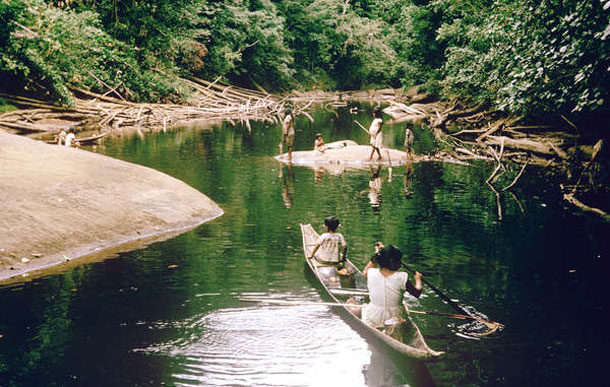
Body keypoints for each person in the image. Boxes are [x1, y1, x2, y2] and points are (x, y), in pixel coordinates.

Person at [357, 243, 423, 327]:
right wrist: (418, 280)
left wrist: (377, 253)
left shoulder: (371, 273)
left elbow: (365, 271)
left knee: (363, 306)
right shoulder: (402, 277)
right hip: (395, 316)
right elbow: (417, 293)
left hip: (373, 316)